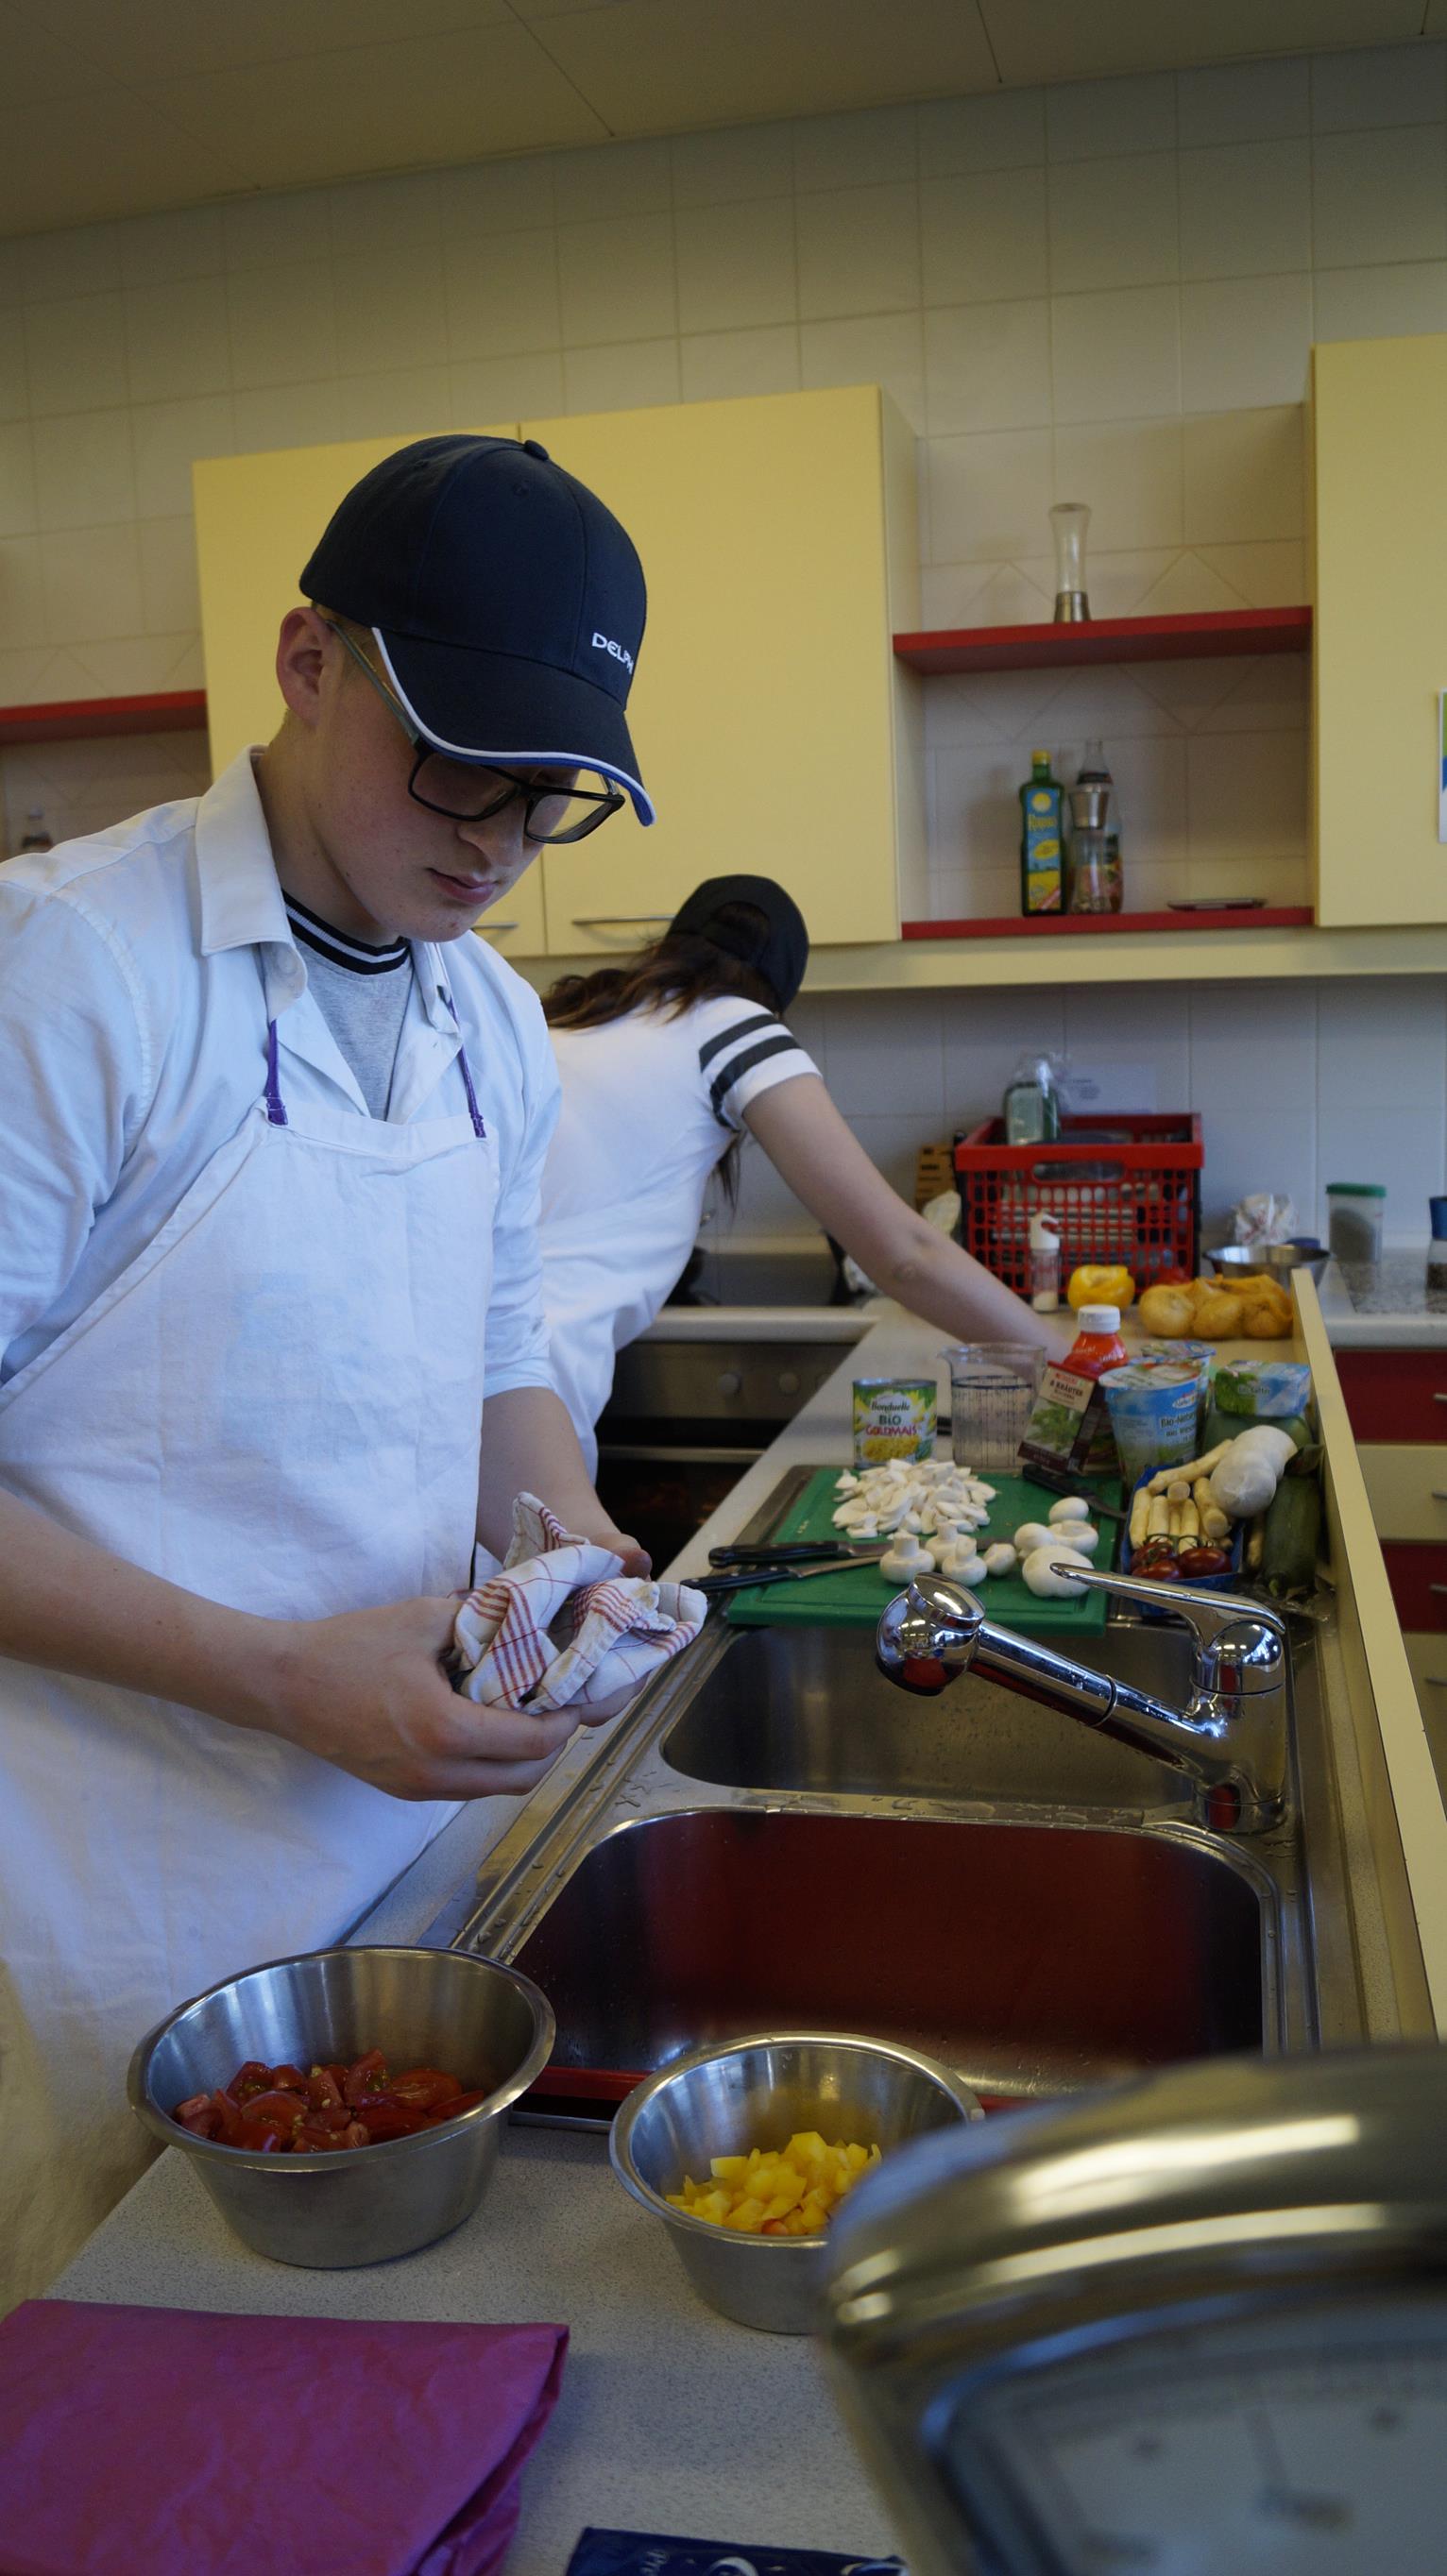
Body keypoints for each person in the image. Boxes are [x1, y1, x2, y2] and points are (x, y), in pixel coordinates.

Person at [0, 432, 653, 2308]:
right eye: (458, 759)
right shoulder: (74, 971)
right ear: (308, 660)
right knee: (132, 2363)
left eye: (550, 798)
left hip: (407, 1860)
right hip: (112, 1886)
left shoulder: (492, 1019)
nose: (497, 841)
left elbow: (495, 1349)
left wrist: (571, 1538)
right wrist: (284, 1675)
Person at [538, 875, 1059, 1471]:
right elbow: (906, 1255)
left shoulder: (571, 1018)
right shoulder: (733, 1024)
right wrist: (1074, 1367)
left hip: (467, 1357)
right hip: (531, 1377)